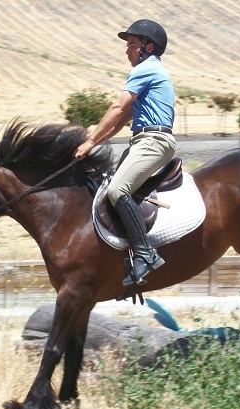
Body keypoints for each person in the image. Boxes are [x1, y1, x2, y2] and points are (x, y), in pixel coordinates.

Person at [74, 19, 176, 286]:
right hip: (142, 140)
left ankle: (146, 254)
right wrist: (93, 143)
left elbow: (119, 107)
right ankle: (128, 255)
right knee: (109, 189)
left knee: (118, 191)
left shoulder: (146, 69)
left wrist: (89, 142)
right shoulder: (150, 73)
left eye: (132, 44)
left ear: (148, 47)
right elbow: (121, 121)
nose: (127, 50)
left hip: (153, 140)